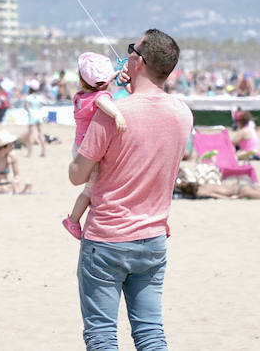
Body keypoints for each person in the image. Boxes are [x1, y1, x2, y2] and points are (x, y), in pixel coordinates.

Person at [68, 29, 193, 349]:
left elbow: (77, 175)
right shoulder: (183, 113)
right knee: (150, 333)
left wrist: (82, 134)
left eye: (131, 51)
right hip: (152, 238)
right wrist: (126, 90)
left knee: (101, 335)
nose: (126, 56)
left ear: (140, 62)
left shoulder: (111, 115)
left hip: (107, 238)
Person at [62, 52, 127, 239]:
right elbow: (102, 100)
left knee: (93, 185)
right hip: (89, 149)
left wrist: (112, 77)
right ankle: (73, 220)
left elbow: (97, 93)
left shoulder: (80, 97)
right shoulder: (100, 97)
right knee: (90, 190)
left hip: (78, 147)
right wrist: (117, 115)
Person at [23, 84, 47, 158]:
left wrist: (29, 111)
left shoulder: (28, 97)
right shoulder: (40, 97)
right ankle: (43, 152)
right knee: (41, 133)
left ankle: (29, 153)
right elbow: (41, 105)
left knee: (31, 134)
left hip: (32, 115)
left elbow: (26, 107)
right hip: (39, 114)